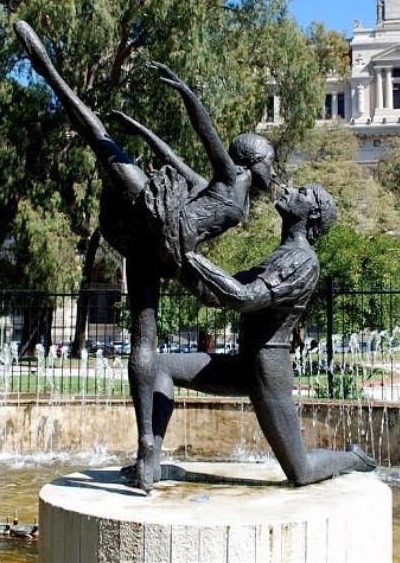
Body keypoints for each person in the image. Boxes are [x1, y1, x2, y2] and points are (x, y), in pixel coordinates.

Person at [13, 20, 274, 492]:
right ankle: (146, 459)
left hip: (162, 232)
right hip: (169, 247)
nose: (273, 170)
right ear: (255, 162)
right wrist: (166, 111)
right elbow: (194, 141)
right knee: (144, 342)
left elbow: (190, 150)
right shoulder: (233, 181)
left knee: (98, 138)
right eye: (270, 161)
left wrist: (181, 97)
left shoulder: (232, 187)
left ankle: (46, 68)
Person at [149, 185, 376, 486]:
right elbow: (220, 291)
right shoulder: (279, 255)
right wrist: (176, 258)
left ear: (313, 214)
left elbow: (244, 297)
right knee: (159, 366)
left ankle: (354, 458)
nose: (291, 190)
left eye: (303, 192)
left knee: (302, 472)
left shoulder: (303, 261)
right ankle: (149, 462)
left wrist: (189, 256)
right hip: (246, 363)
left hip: (269, 370)